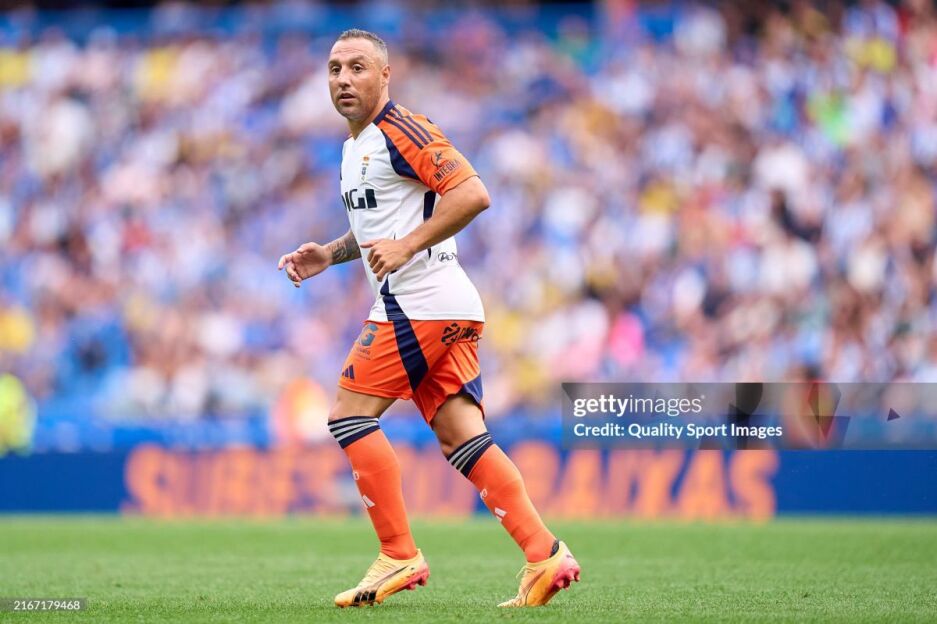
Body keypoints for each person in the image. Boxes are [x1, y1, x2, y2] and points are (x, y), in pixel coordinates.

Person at [277, 29, 580, 608]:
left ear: (385, 75)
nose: (343, 79)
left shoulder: (403, 129)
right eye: (335, 69)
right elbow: (382, 228)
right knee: (462, 436)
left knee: (349, 416)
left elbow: (472, 193)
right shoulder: (355, 148)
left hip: (419, 301)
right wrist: (331, 255)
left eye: (358, 67)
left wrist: (410, 246)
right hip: (443, 306)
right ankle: (545, 554)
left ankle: (398, 553)